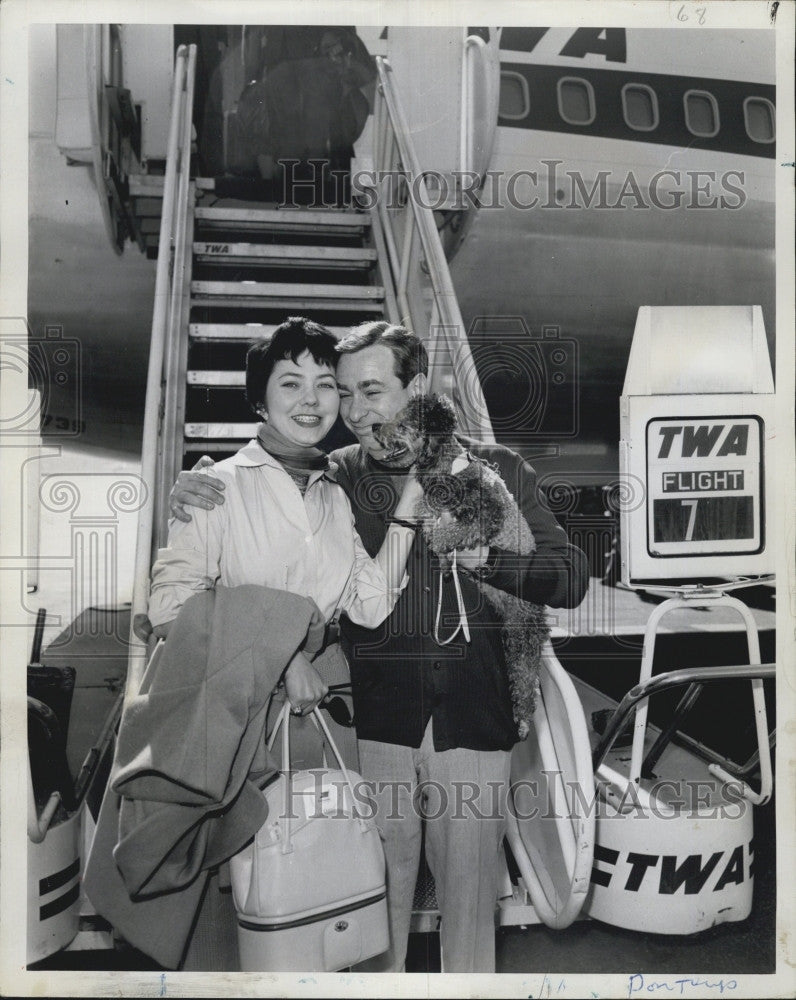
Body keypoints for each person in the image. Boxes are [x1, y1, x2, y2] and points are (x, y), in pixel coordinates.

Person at [168, 321, 590, 973]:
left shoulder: (497, 471)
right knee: (369, 913)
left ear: (417, 387)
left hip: (475, 727)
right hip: (371, 733)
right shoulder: (333, 477)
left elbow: (569, 576)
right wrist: (195, 485)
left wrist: (487, 557)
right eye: (348, 394)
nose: (356, 411)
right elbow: (259, 513)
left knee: (469, 910)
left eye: (372, 391)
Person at [149, 317, 422, 739]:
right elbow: (170, 607)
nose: (310, 400)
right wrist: (284, 657)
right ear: (260, 401)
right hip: (229, 715)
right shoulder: (217, 486)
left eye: (326, 385)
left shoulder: (333, 493)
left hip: (325, 714)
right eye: (291, 384)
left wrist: (410, 505)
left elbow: (369, 606)